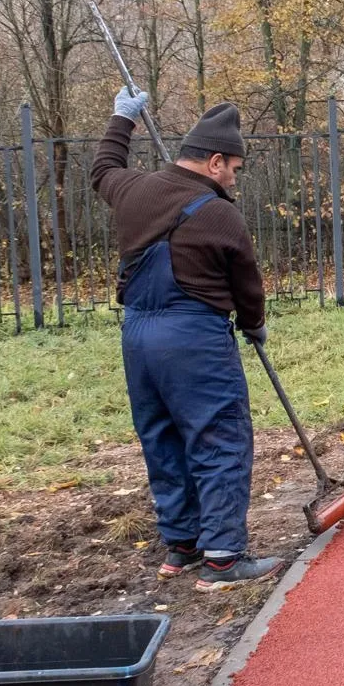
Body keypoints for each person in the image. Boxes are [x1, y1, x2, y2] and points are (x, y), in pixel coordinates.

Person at [93, 89, 281, 591]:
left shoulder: (133, 190)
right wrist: (253, 322)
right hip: (194, 336)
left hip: (138, 336)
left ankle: (183, 545)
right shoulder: (221, 214)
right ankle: (223, 557)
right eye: (234, 169)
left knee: (163, 437)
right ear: (215, 161)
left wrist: (122, 119)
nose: (234, 179)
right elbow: (247, 281)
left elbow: (103, 168)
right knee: (218, 435)